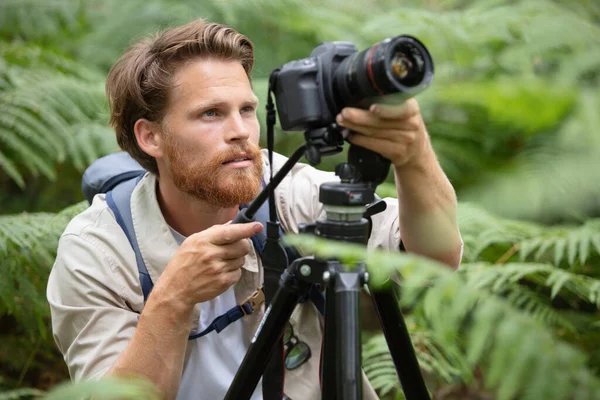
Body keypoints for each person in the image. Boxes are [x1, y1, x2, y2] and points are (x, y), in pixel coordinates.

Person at [46, 18, 462, 400]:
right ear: (150, 137)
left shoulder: (285, 191)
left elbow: (436, 259)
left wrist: (414, 155)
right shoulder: (96, 250)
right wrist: (172, 300)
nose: (240, 132)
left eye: (246, 109)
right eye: (211, 114)